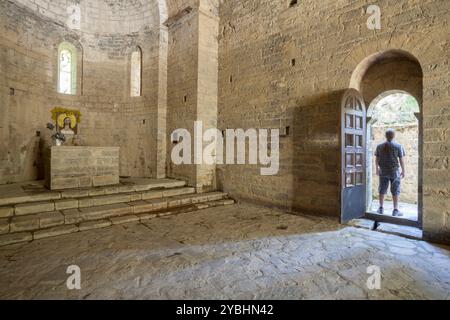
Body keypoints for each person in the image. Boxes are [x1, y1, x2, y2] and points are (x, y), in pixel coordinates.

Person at [375, 129, 406, 217]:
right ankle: (395, 210)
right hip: (394, 171)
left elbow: (376, 159)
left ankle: (381, 208)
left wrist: (377, 169)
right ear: (394, 136)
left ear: (385, 136)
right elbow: (401, 160)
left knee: (382, 189)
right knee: (395, 190)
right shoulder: (398, 146)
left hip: (383, 171)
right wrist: (403, 171)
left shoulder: (379, 146)